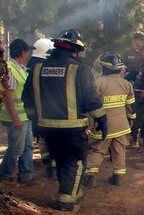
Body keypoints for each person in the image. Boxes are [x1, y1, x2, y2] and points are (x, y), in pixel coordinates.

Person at [22, 29, 107, 211]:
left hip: (47, 128)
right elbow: (91, 98)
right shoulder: (79, 69)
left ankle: (70, 191)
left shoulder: (37, 69)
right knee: (75, 161)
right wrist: (102, 119)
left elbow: (27, 99)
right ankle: (66, 201)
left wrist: (35, 123)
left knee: (60, 159)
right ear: (75, 50)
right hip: (73, 128)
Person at [84, 52, 135, 187]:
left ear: (103, 67)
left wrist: (89, 123)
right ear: (120, 68)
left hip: (102, 126)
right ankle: (119, 177)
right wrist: (131, 119)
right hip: (121, 126)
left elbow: (91, 105)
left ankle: (91, 176)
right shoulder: (126, 84)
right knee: (119, 150)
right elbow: (130, 106)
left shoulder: (97, 83)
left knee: (97, 150)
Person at [0, 39, 34, 184]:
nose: (28, 54)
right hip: (15, 116)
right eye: (27, 51)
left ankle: (26, 176)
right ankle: (4, 175)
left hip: (24, 115)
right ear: (22, 53)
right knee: (16, 149)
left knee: (27, 146)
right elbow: (8, 95)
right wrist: (15, 117)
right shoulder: (10, 68)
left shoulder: (20, 68)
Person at [26, 37, 56, 178]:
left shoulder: (28, 65)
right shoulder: (45, 67)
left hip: (31, 111)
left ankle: (47, 164)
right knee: (51, 139)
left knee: (42, 139)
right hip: (46, 109)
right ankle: (54, 165)